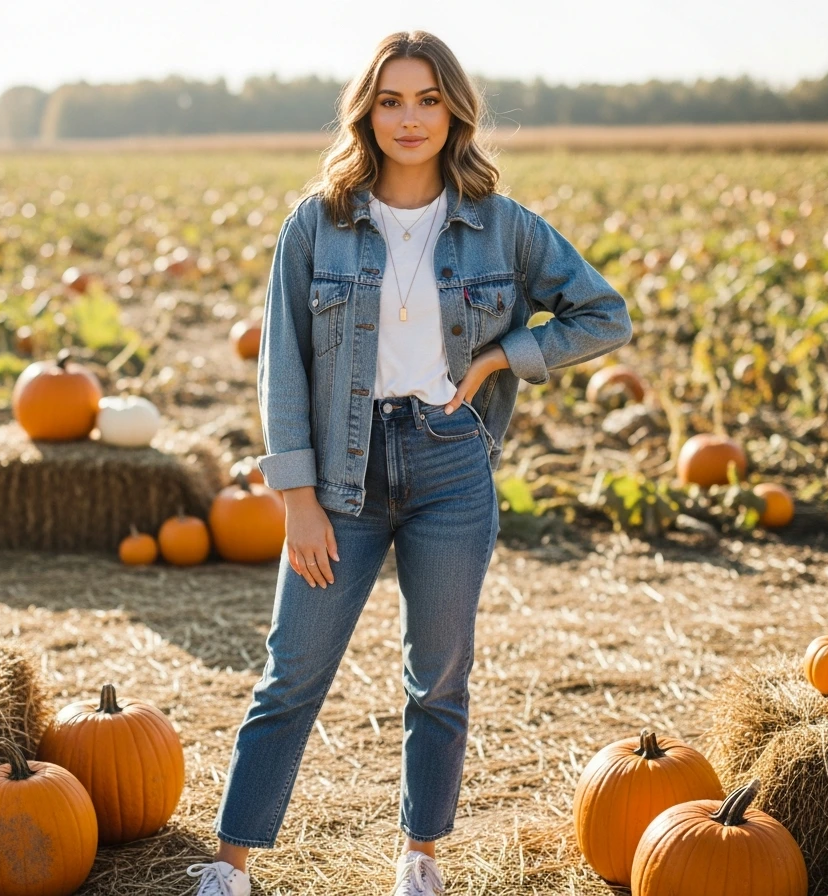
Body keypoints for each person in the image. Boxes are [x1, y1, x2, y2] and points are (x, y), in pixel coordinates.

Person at [186, 30, 632, 896]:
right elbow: (283, 364)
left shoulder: (502, 227)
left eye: (427, 99)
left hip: (449, 468)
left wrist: (503, 358)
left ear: (454, 109)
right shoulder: (317, 223)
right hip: (341, 483)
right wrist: (298, 497)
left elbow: (603, 315)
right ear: (367, 112)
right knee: (291, 673)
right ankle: (230, 864)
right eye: (390, 100)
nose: (409, 118)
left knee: (439, 676)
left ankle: (418, 857)